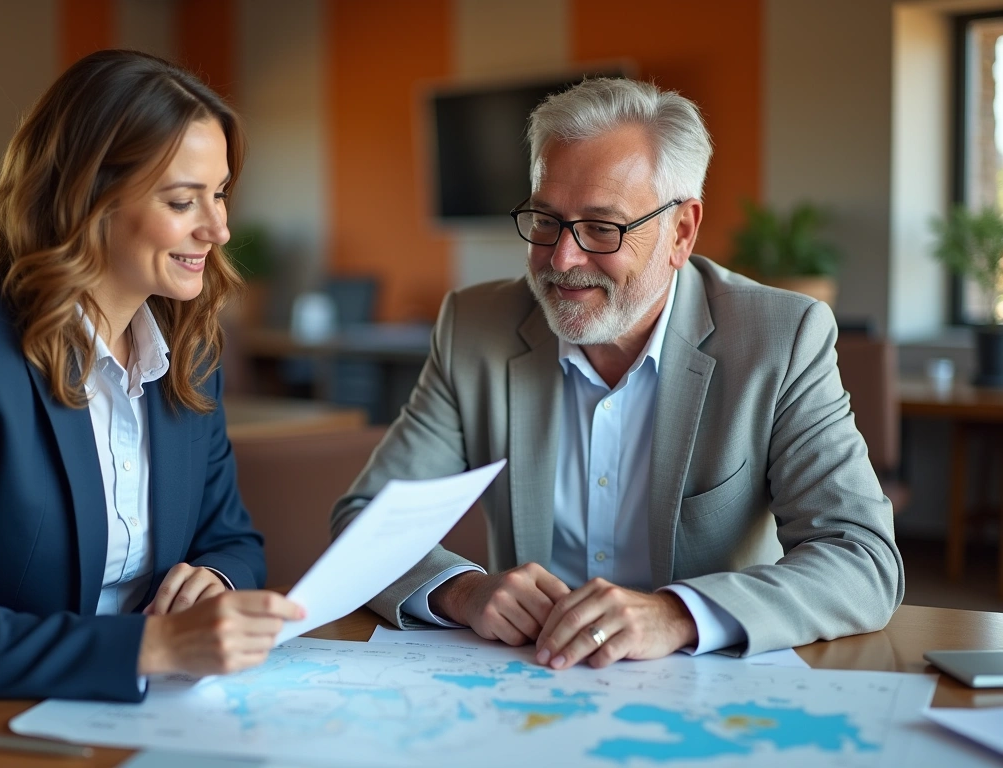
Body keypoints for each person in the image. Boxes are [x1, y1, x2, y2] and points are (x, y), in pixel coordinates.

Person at [332, 77, 902, 670]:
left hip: (701, 696)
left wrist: (679, 614)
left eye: (603, 228)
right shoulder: (473, 328)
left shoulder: (780, 338)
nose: (561, 259)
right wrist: (463, 590)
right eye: (546, 220)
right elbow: (366, 520)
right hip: (526, 684)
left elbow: (860, 557)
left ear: (681, 231)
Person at [0, 50, 301, 713]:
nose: (219, 228)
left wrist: (214, 579)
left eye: (218, 193)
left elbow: (233, 540)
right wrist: (153, 646)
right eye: (184, 200)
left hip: (131, 716)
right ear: (88, 196)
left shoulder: (189, 354)